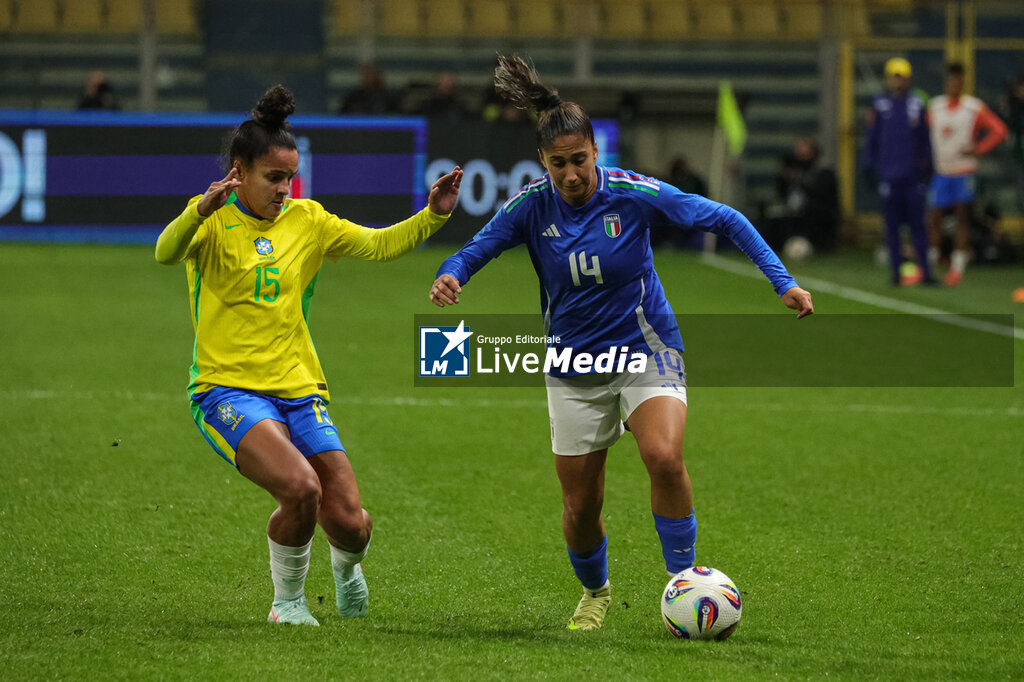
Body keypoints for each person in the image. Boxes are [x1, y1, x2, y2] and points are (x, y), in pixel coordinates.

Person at [428, 56, 813, 632]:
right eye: (558, 164)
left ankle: (682, 582)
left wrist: (782, 280)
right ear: (543, 162)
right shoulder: (531, 206)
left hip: (646, 349)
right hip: (573, 365)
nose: (571, 174)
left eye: (579, 160)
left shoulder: (633, 195)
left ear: (595, 153)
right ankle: (595, 591)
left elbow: (728, 218)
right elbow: (473, 249)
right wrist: (451, 274)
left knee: (663, 456)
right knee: (582, 508)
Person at [156, 84, 462, 626]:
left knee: (351, 522)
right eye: (273, 177)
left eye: (289, 176)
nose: (284, 187)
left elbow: (378, 244)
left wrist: (432, 216)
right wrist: (196, 211)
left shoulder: (309, 220)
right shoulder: (210, 221)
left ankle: (346, 572)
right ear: (238, 171)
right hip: (226, 389)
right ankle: (288, 604)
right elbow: (165, 252)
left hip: (299, 387)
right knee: (300, 489)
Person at [927, 62, 1008, 286]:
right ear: (946, 83)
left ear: (962, 83)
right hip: (941, 171)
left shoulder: (973, 108)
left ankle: (957, 268)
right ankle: (929, 264)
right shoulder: (935, 107)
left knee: (963, 218)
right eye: (951, 81)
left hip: (964, 171)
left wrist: (979, 149)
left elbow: (999, 130)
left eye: (958, 82)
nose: (954, 86)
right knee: (935, 217)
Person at [862, 57, 934, 286]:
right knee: (892, 228)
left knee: (918, 227)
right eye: (894, 76)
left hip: (913, 177)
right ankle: (896, 272)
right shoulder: (880, 105)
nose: (897, 80)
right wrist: (869, 166)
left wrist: (928, 166)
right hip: (889, 176)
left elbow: (925, 139)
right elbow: (872, 139)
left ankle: (926, 272)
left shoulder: (917, 103)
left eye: (900, 76)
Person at [774, 136, 839, 253]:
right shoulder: (792, 173)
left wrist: (800, 181)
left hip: (818, 218)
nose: (800, 156)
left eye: (804, 152)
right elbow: (782, 195)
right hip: (795, 215)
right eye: (798, 151)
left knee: (813, 214)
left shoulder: (824, 173)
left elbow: (822, 198)